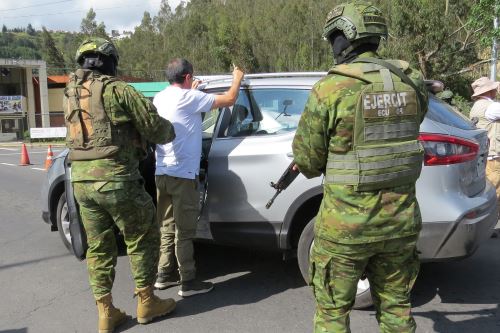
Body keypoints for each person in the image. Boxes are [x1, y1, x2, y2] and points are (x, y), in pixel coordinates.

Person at [292, 2, 428, 332]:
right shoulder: (410, 81)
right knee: (397, 309)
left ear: (345, 38)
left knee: (332, 314)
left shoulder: (331, 88)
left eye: (334, 37)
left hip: (345, 229)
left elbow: (308, 161)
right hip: (399, 224)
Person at [63, 37, 177, 333]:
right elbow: (157, 129)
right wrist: (171, 130)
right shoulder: (118, 90)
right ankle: (147, 302)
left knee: (99, 247)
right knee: (142, 236)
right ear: (110, 60)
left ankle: (106, 313)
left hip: (81, 183)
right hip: (116, 179)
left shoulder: (70, 94)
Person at [153, 58, 244, 296]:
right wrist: (237, 78)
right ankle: (188, 281)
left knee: (167, 226)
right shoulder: (189, 98)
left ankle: (164, 275)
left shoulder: (160, 97)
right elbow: (230, 99)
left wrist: (192, 91)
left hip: (161, 173)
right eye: (191, 77)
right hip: (183, 175)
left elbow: (184, 115)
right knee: (184, 231)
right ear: (186, 78)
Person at [469, 77, 500, 237]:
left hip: (484, 154)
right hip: (494, 156)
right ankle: (490, 226)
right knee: (495, 191)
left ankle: (489, 224)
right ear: (489, 90)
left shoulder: (477, 106)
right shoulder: (492, 107)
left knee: (488, 189)